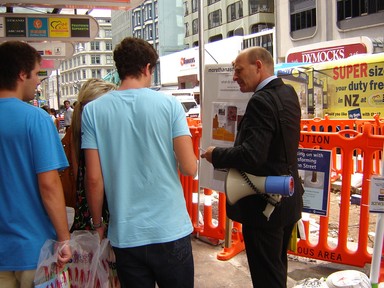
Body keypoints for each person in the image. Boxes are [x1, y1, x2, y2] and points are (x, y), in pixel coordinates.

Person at [81, 37, 197, 287]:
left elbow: (93, 179)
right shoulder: (170, 105)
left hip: (126, 235)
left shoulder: (93, 111)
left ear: (119, 68)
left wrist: (98, 224)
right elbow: (189, 167)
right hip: (170, 230)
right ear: (147, 68)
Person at [201, 47, 303, 288]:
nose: (234, 76)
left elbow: (252, 155)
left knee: (266, 276)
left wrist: (216, 154)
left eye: (238, 70)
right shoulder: (288, 93)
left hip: (264, 204)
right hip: (287, 197)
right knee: (276, 267)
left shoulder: (260, 101)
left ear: (258, 66)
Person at [0, 41, 72, 287]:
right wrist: (64, 239)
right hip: (33, 251)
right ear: (22, 74)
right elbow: (49, 185)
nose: (39, 80)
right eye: (37, 73)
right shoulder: (36, 119)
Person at [69, 78, 116, 230]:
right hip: (105, 212)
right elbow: (93, 179)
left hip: (86, 209)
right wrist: (98, 223)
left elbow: (79, 177)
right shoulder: (106, 135)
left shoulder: (76, 132)